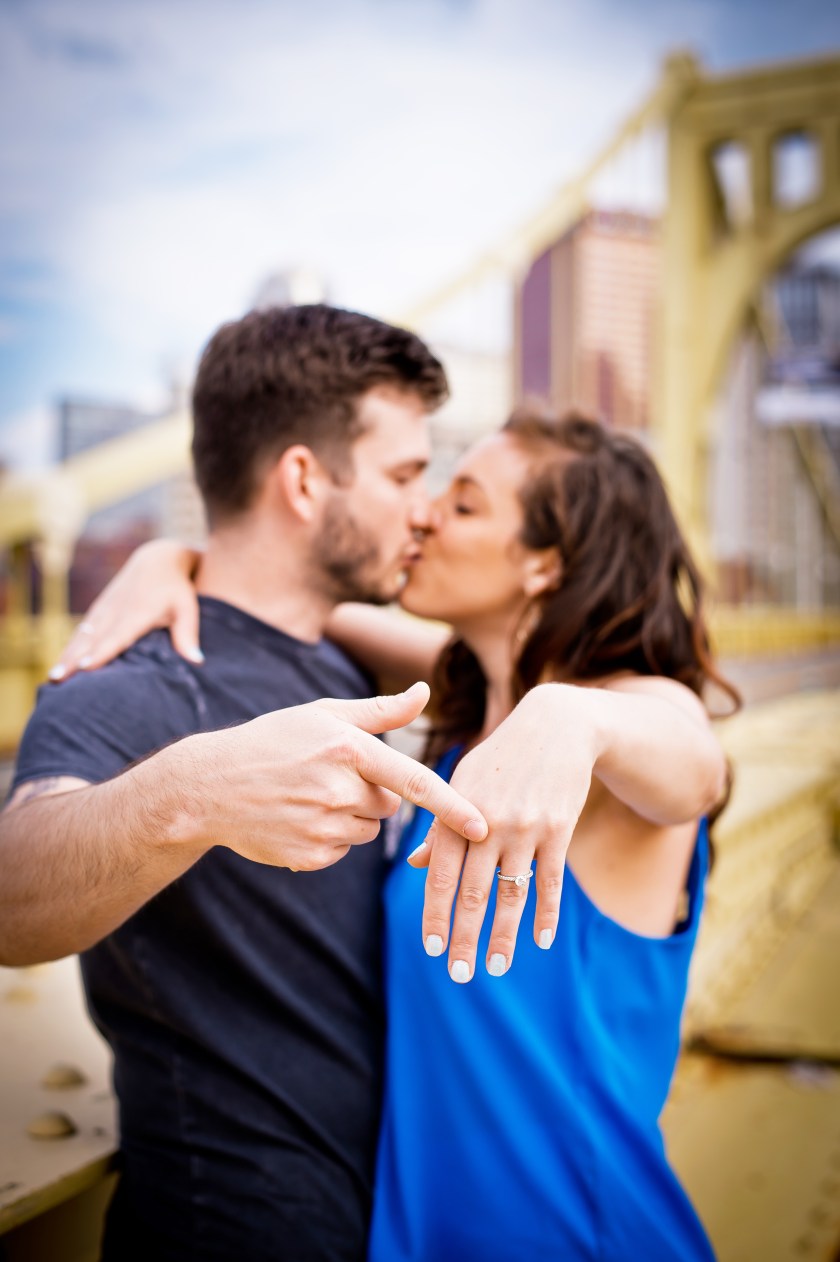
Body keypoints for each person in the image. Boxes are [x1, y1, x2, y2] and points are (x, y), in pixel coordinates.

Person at [58, 406, 737, 1260]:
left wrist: (579, 720)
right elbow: (295, 605)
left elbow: (693, 766)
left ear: (544, 562)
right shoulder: (460, 721)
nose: (424, 516)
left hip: (581, 1236)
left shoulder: (617, 733)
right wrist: (175, 559)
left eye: (463, 504)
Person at [0, 303, 501, 1262]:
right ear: (305, 480)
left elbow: (556, 666)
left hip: (392, 1215)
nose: (426, 507)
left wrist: (172, 554)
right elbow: (12, 898)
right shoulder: (141, 683)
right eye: (403, 475)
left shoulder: (350, 666)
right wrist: (195, 794)